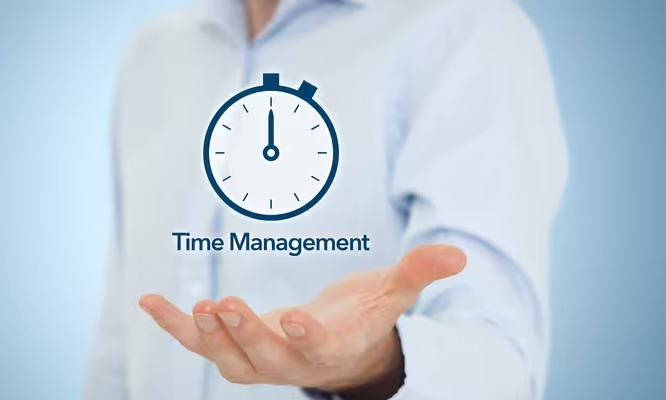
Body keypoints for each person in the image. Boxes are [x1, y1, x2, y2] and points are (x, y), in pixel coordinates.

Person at [83, 0, 568, 399]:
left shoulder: (466, 32)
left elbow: (499, 363)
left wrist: (377, 365)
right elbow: (121, 343)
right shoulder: (154, 53)